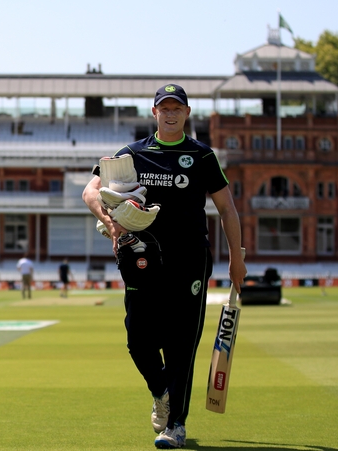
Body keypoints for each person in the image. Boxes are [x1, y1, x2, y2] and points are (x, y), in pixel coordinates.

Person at [82, 83, 246, 449]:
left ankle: (176, 425)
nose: (170, 113)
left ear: (187, 113)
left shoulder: (201, 156)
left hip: (190, 260)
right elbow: (90, 191)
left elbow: (227, 209)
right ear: (154, 113)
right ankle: (161, 392)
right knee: (138, 341)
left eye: (177, 108)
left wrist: (237, 258)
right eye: (164, 108)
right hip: (140, 257)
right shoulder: (132, 153)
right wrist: (110, 223)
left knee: (180, 344)